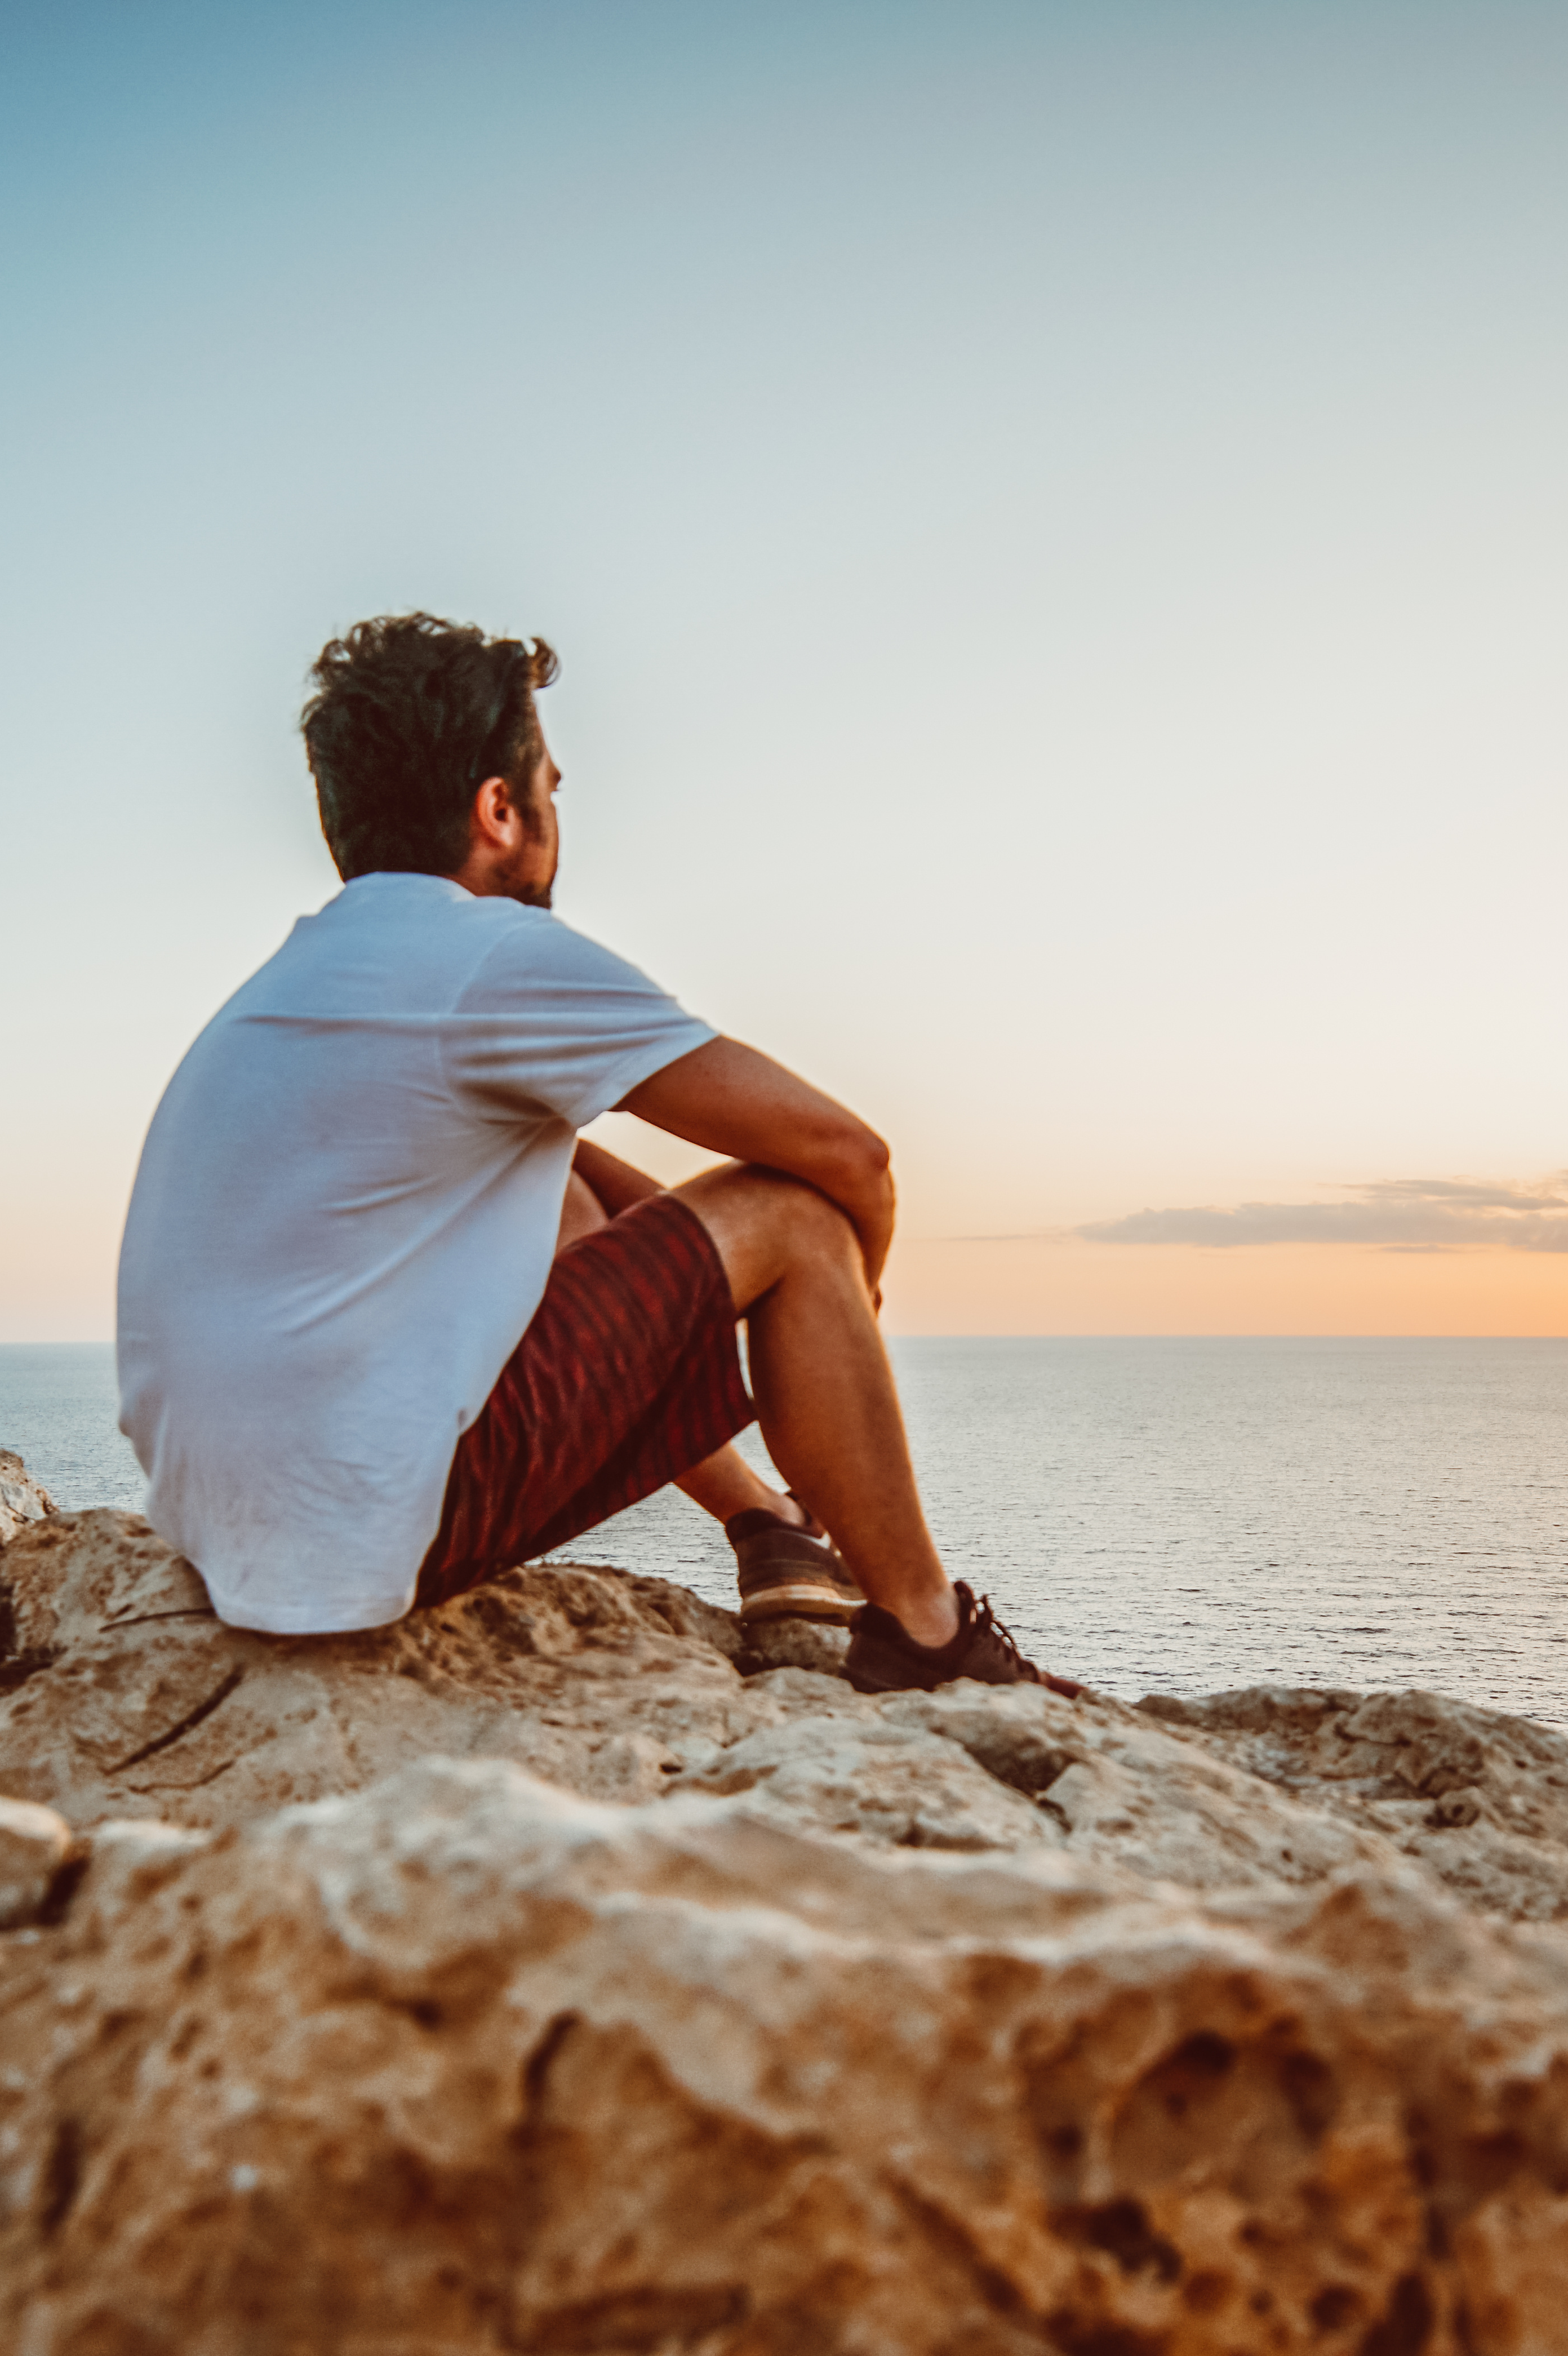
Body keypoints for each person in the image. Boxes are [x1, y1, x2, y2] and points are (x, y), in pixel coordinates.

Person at [113, 612, 1076, 1696]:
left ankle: (769, 1523)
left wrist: (739, 1308)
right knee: (800, 1215)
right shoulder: (493, 955)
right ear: (498, 809)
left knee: (562, 1186)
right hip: (371, 1533)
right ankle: (928, 1635)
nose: (557, 812)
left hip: (227, 1528)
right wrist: (835, 1305)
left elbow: (607, 1211)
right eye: (553, 788)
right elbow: (850, 1156)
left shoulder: (292, 983)